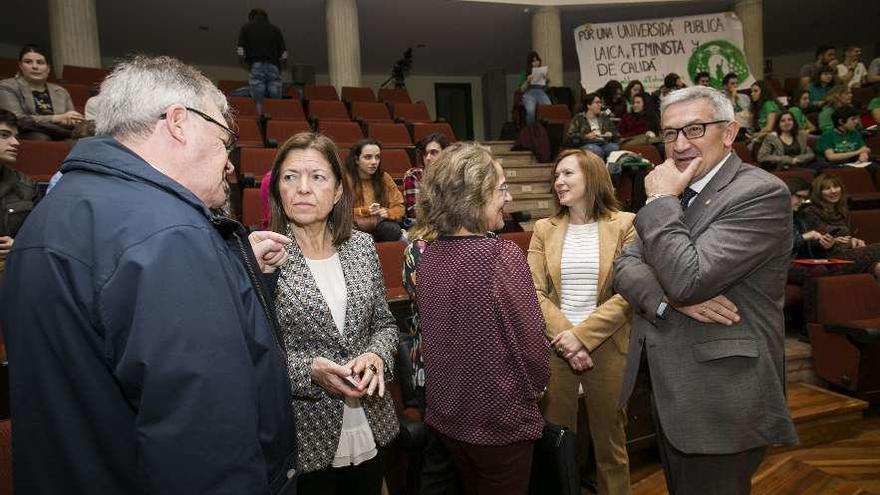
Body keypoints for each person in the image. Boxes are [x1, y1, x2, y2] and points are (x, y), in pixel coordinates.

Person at [0, 55, 298, 494]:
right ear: (179, 123)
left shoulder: (51, 215)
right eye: (224, 139)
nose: (229, 160)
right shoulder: (170, 235)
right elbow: (206, 442)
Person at [614, 85, 798, 494]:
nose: (679, 145)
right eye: (669, 133)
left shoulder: (759, 193)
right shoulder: (677, 192)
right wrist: (670, 303)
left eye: (694, 129)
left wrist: (660, 199)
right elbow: (624, 267)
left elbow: (688, 278)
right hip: (671, 387)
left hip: (720, 397)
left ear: (729, 133)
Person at [267, 132, 400, 494]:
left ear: (339, 190)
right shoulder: (263, 258)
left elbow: (386, 325)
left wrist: (376, 355)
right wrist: (308, 370)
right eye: (290, 177)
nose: (303, 189)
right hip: (303, 432)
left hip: (370, 420)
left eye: (318, 177)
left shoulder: (361, 247)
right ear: (278, 189)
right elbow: (252, 355)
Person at [415, 142, 550, 494]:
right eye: (501, 188)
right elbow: (531, 343)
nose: (508, 199)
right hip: (498, 420)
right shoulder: (499, 254)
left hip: (448, 417)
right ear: (474, 196)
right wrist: (538, 388)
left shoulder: (429, 256)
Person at [527, 148, 635, 495]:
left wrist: (583, 338)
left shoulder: (626, 225)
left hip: (608, 345)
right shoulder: (544, 228)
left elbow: (631, 293)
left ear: (592, 176)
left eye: (568, 173)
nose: (559, 181)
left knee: (611, 447)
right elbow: (534, 292)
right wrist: (568, 340)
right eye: (556, 175)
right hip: (557, 347)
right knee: (558, 444)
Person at [799, 173, 880, 281]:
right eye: (827, 188)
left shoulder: (842, 211)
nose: (833, 191)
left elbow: (845, 237)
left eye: (836, 186)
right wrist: (836, 241)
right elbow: (817, 241)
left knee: (878, 267)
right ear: (818, 192)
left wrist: (853, 240)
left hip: (847, 255)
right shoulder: (810, 212)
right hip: (827, 260)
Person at [0, 44, 83, 140]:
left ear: (48, 68)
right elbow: (16, 119)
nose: (35, 66)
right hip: (25, 133)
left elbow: (70, 120)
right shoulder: (7, 86)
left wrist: (73, 120)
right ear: (21, 66)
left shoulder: (61, 91)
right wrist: (56, 118)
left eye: (40, 62)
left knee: (78, 141)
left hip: (59, 132)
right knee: (41, 137)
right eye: (28, 62)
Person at [346, 138, 405, 242]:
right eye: (368, 157)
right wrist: (365, 211)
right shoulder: (346, 179)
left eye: (377, 157)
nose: (374, 162)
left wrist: (388, 212)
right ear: (356, 159)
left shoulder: (384, 177)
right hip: (355, 227)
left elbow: (399, 207)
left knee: (392, 230)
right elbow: (339, 212)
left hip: (380, 226)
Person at [0, 109, 35, 278]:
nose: (15, 143)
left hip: (11, 269)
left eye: (15, 136)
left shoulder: (27, 185)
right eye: (4, 135)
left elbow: (38, 233)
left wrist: (18, 244)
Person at [237, 8, 288, 117]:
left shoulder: (246, 27)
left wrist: (244, 62)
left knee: (258, 100)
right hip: (274, 66)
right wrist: (282, 65)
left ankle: (261, 124)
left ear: (251, 17)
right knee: (275, 100)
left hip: (256, 65)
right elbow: (284, 53)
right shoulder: (275, 29)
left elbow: (240, 49)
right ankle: (275, 121)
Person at [403, 132, 449, 226]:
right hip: (426, 227)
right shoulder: (414, 175)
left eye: (434, 152)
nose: (428, 158)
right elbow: (415, 211)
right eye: (425, 153)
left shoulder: (454, 175)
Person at [815, 106, 876, 174]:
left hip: (853, 162)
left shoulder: (854, 132)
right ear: (841, 121)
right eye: (853, 119)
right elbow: (831, 157)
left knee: (873, 166)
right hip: (833, 165)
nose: (856, 122)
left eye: (856, 119)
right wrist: (858, 152)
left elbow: (863, 148)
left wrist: (863, 155)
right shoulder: (827, 135)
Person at [567, 93, 620, 161]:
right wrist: (586, 136)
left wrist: (611, 134)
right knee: (596, 150)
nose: (600, 105)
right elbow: (570, 137)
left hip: (603, 143)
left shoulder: (604, 117)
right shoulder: (579, 118)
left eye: (600, 103)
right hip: (587, 143)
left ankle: (610, 170)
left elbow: (616, 132)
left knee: (614, 147)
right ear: (589, 106)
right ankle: (598, 170)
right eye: (597, 103)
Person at [519, 51, 552, 126]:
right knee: (530, 110)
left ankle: (545, 128)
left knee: (549, 108)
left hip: (540, 92)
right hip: (529, 94)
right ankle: (531, 130)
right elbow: (521, 89)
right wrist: (527, 81)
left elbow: (546, 89)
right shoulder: (524, 73)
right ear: (530, 63)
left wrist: (546, 81)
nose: (536, 63)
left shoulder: (542, 72)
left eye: (537, 60)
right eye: (533, 61)